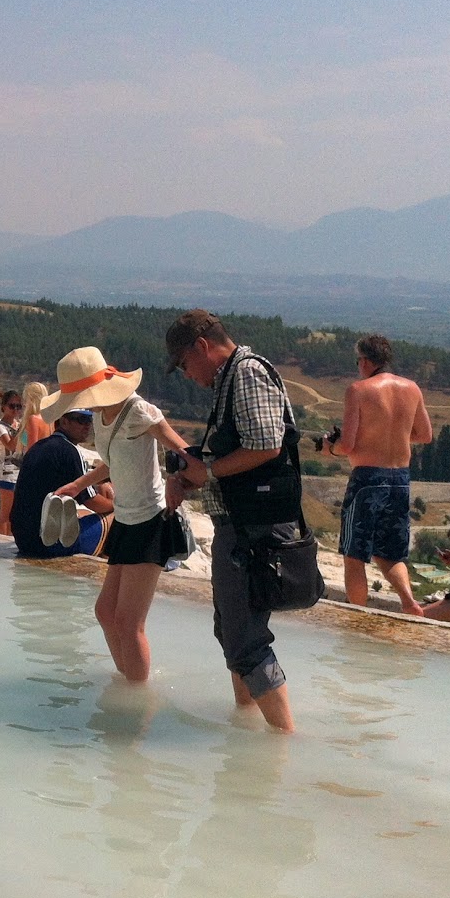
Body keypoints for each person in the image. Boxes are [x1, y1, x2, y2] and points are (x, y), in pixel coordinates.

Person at [164, 309, 297, 732]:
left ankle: (283, 740)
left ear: (202, 347)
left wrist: (206, 472)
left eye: (184, 364)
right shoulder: (231, 380)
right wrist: (192, 475)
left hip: (255, 529)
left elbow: (266, 445)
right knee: (232, 633)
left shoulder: (247, 374)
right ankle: (247, 725)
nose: (186, 375)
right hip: (242, 526)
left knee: (246, 640)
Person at [40, 346, 202, 684]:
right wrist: (78, 484)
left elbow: (186, 453)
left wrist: (178, 481)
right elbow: (113, 461)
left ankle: (137, 695)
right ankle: (126, 678)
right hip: (125, 522)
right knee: (105, 612)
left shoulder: (139, 410)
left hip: (150, 521)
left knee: (129, 623)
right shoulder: (101, 416)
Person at [323, 334, 433, 614]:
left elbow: (347, 445)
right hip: (400, 479)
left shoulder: (358, 390)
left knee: (354, 554)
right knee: (391, 552)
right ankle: (409, 602)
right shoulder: (412, 388)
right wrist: (393, 435)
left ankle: (357, 617)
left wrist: (330, 448)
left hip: (367, 480)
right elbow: (425, 435)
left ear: (365, 361)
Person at [10, 409, 114, 558]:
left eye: (89, 421)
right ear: (64, 422)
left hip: (24, 540)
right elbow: (92, 502)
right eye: (81, 420)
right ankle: (112, 564)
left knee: (84, 514)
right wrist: (118, 505)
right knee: (115, 516)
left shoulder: (38, 447)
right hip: (49, 544)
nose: (87, 426)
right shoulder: (70, 451)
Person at [0, 389, 23, 535]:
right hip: (7, 473)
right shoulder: (0, 427)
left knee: (14, 515)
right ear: (4, 407)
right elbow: (10, 445)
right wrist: (22, 429)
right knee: (5, 514)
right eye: (12, 406)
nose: (15, 410)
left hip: (18, 472)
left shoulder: (18, 425)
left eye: (18, 406)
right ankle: (0, 540)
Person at [16, 381, 52, 455]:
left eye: (26, 399)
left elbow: (32, 451)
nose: (24, 403)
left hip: (34, 461)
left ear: (32, 399)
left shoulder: (33, 419)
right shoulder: (50, 420)